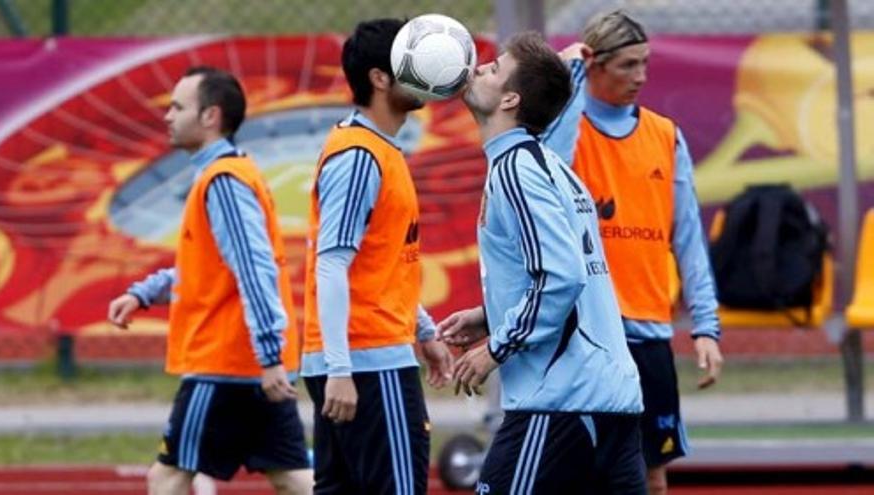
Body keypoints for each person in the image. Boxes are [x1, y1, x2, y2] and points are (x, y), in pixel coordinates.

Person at [439, 31, 646, 494]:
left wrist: (497, 346)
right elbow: (565, 275)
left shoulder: (514, 169)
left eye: (493, 68)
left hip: (560, 404)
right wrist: (488, 315)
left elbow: (561, 276)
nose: (479, 69)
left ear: (510, 98)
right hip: (608, 400)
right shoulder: (550, 165)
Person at [540, 10, 725, 494]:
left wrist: (705, 325)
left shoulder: (665, 135)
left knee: (652, 477)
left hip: (647, 336)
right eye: (626, 65)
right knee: (573, 473)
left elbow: (687, 237)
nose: (640, 76)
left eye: (644, 63)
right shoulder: (567, 133)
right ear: (593, 64)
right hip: (583, 335)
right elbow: (549, 178)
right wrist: (570, 80)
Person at [107, 66, 313, 495]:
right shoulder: (229, 174)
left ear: (210, 116)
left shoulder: (223, 181)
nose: (167, 116)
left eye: (178, 107)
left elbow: (254, 270)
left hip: (225, 363)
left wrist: (269, 353)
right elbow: (209, 271)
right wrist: (145, 293)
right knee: (292, 477)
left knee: (168, 477)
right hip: (249, 363)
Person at [301, 18, 454, 495]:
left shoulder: (379, 151)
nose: (425, 70)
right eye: (411, 60)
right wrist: (341, 370)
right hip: (368, 365)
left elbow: (385, 265)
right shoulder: (360, 156)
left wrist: (423, 330)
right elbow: (331, 265)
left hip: (366, 357)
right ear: (379, 78)